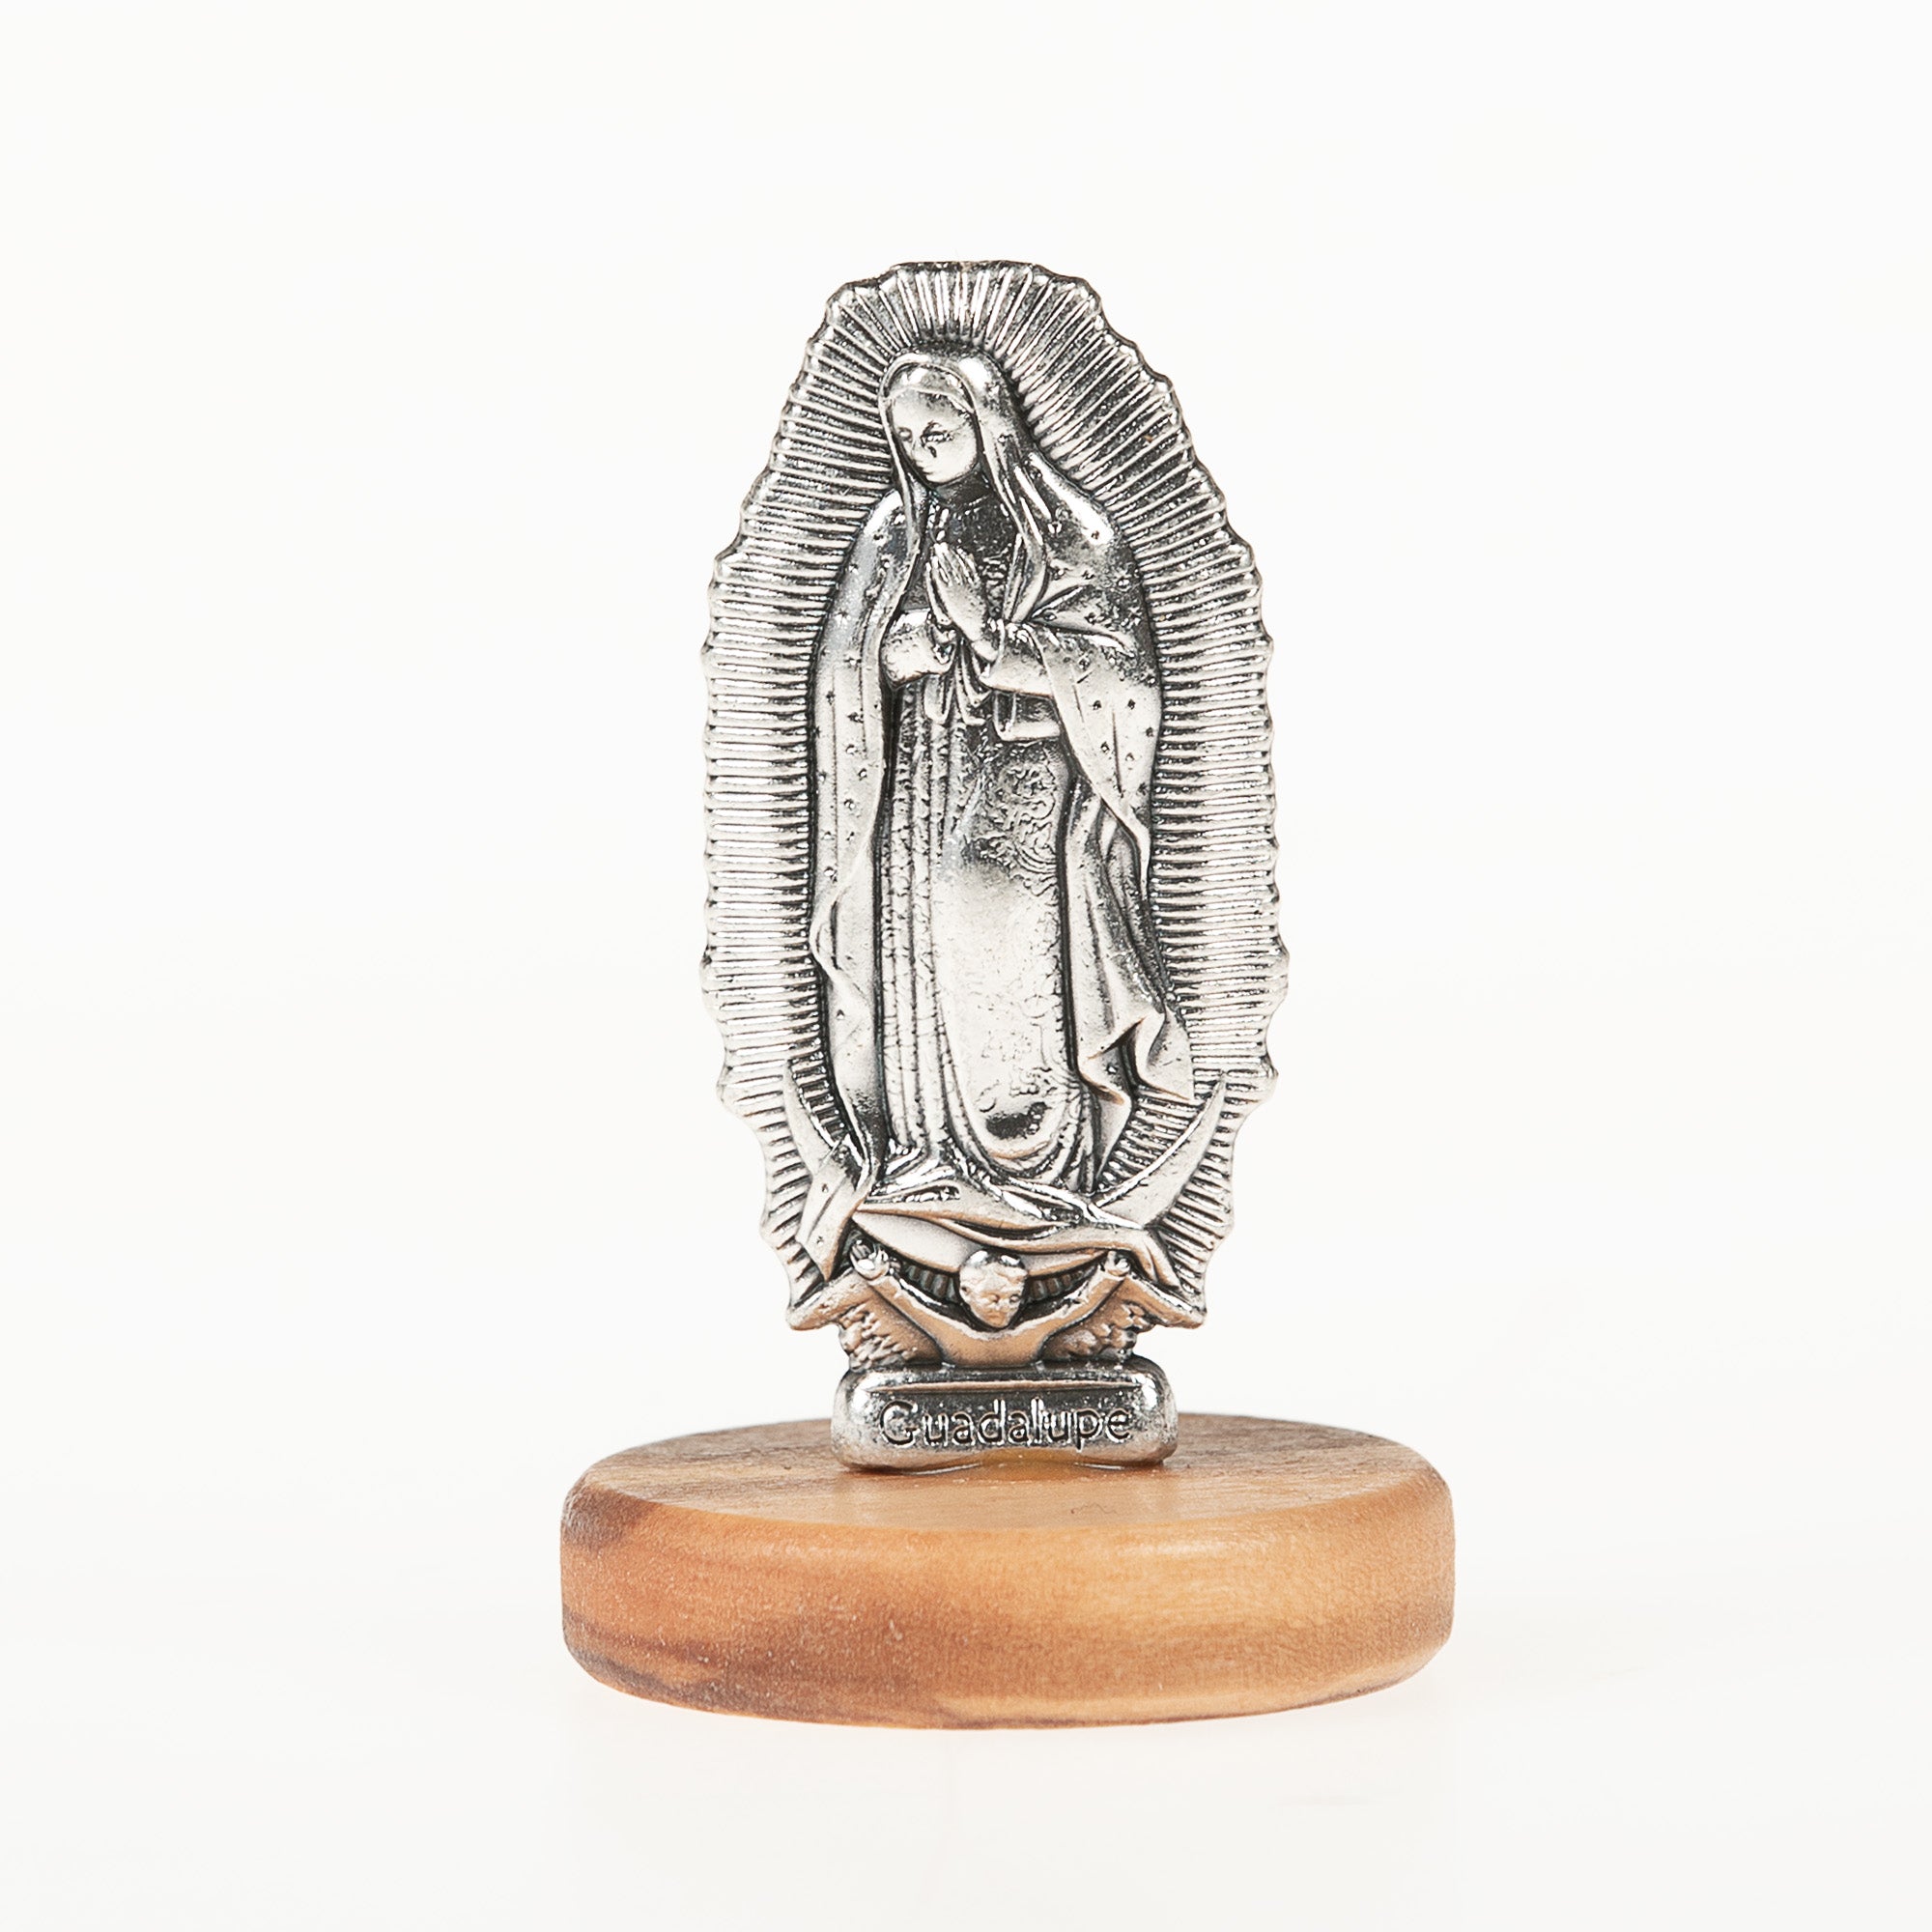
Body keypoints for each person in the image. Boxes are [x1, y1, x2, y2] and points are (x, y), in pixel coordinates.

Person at [809, 348, 1193, 1246]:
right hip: (918, 779)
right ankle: (926, 1150)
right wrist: (898, 656)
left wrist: (994, 641)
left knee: (997, 934)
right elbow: (842, 668)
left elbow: (1125, 681)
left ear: (987, 424)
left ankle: (1038, 1170)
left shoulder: (1069, 534)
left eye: (938, 430)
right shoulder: (895, 532)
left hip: (1026, 781)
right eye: (906, 438)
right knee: (923, 940)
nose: (922, 451)